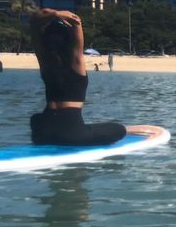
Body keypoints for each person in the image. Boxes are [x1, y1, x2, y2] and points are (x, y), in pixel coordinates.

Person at [29, 8, 126, 146]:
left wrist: (55, 14)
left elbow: (34, 21)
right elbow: (76, 21)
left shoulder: (45, 61)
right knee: (119, 129)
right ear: (69, 40)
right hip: (71, 133)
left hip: (42, 132)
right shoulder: (76, 60)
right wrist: (68, 18)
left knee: (38, 119)